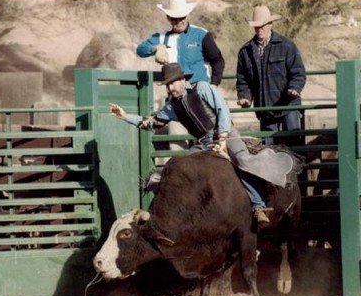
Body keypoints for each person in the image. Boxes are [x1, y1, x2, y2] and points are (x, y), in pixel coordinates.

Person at [110, 63, 295, 226]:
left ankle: (258, 205)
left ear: (183, 79)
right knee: (178, 170)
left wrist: (222, 139)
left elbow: (222, 110)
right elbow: (152, 123)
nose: (171, 87)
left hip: (225, 133)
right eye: (168, 84)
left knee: (242, 159)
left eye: (174, 82)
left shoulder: (202, 88)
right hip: (202, 143)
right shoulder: (171, 107)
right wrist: (126, 116)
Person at [236, 5, 306, 146]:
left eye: (263, 25)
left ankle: (298, 168)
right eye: (256, 26)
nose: (259, 29)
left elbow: (298, 72)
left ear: (270, 24)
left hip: (288, 104)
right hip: (265, 108)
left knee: (294, 145)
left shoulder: (287, 46)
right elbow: (243, 80)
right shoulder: (245, 51)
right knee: (268, 149)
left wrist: (294, 88)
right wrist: (245, 97)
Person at [136, 0, 225, 87]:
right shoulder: (161, 37)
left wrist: (214, 84)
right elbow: (140, 50)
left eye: (182, 17)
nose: (179, 22)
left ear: (187, 16)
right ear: (168, 18)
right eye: (174, 18)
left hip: (199, 89)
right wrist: (156, 48)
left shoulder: (202, 34)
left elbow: (218, 61)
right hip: (174, 91)